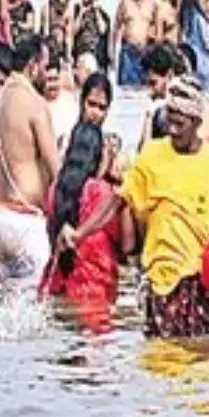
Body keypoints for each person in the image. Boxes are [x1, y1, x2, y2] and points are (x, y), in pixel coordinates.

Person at [110, 77, 209, 338]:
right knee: (158, 362)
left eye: (181, 124)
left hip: (200, 284)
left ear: (197, 123)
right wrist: (80, 233)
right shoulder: (152, 155)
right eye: (170, 122)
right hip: (161, 282)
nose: (174, 130)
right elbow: (120, 200)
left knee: (202, 363)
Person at [0, 35, 59, 284]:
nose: (47, 75)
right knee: (38, 312)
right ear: (34, 65)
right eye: (45, 67)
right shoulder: (34, 104)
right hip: (24, 220)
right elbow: (56, 169)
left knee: (2, 313)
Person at [43, 122, 128, 312]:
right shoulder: (102, 192)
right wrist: (122, 187)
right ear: (98, 155)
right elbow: (127, 245)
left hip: (57, 284)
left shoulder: (55, 189)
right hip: (94, 291)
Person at [111, 0, 156, 88]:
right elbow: (116, 27)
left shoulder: (152, 4)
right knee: (126, 88)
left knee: (145, 88)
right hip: (128, 52)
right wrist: (111, 52)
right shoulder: (125, 2)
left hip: (145, 52)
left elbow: (156, 27)